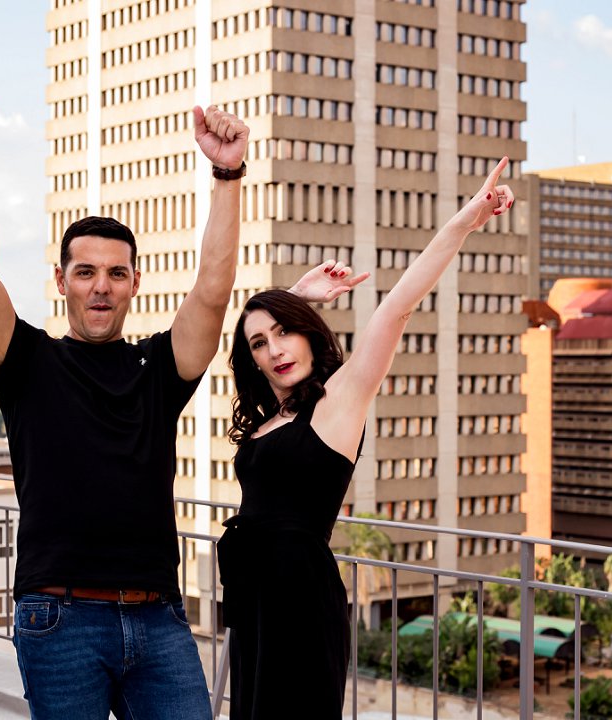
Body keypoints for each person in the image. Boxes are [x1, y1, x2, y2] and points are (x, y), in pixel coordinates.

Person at [0, 70, 249, 719]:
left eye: (115, 273)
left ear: (135, 282)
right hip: (60, 619)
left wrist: (227, 175)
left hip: (160, 620)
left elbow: (213, 291)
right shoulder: (26, 362)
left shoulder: (159, 369)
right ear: (61, 281)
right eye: (85, 272)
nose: (100, 286)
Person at [218, 159, 515, 718]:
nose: (275, 349)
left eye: (285, 332)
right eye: (259, 343)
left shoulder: (340, 399)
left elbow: (397, 307)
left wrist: (465, 221)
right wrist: (292, 298)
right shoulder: (268, 418)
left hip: (302, 599)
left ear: (308, 334)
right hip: (255, 597)